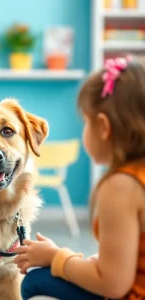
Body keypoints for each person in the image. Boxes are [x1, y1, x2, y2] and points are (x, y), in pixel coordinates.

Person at [14, 56, 145, 300]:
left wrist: (56, 257)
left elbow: (114, 284)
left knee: (34, 282)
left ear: (104, 127)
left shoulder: (122, 186)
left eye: (85, 121)